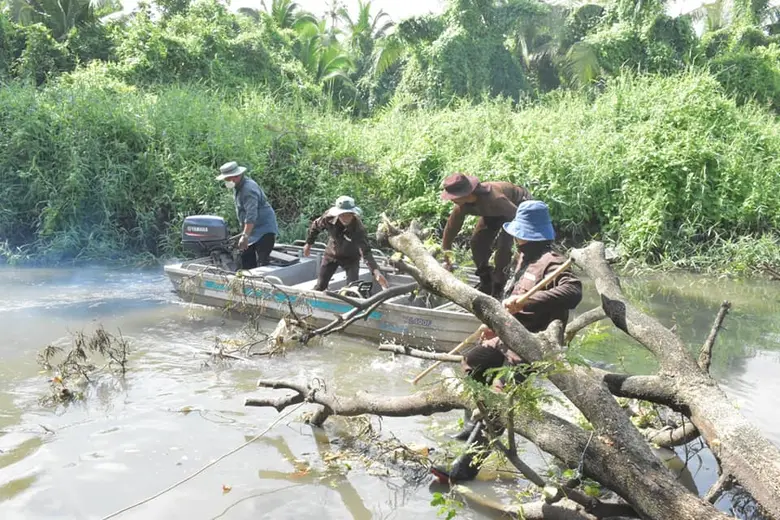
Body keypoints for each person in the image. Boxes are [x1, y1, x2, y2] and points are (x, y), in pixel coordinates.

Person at [435, 200, 583, 483]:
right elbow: (512, 296)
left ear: (528, 233)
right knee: (471, 362)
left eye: (518, 232)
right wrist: (493, 323)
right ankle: (475, 421)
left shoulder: (552, 262)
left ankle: (465, 468)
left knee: (501, 398)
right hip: (507, 333)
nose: (514, 237)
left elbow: (573, 292)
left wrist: (529, 300)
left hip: (530, 343)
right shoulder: (523, 256)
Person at [440, 173, 532, 298]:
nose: (451, 199)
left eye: (454, 196)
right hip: (492, 213)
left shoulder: (496, 199)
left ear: (467, 194)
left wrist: (522, 248)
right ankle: (486, 281)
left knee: (503, 248)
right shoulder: (462, 205)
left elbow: (519, 220)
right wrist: (446, 253)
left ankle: (499, 286)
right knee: (477, 242)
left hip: (516, 208)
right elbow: (452, 226)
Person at [303, 196, 389, 292]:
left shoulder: (358, 228)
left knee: (353, 289)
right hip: (331, 254)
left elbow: (366, 252)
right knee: (320, 286)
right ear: (337, 214)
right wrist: (309, 244)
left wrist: (376, 272)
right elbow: (315, 226)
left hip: (351, 258)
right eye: (342, 215)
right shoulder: (328, 218)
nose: (345, 218)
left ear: (353, 214)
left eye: (349, 215)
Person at [216, 161, 279, 270]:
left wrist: (244, 236)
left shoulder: (248, 189)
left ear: (235, 177)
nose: (226, 182)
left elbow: (251, 215)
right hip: (252, 230)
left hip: (264, 229)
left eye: (226, 179)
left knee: (262, 264)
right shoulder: (238, 187)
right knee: (246, 259)